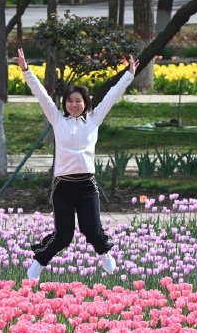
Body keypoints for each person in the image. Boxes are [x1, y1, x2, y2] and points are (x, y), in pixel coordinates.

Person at [13, 48, 138, 280]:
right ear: (65, 104)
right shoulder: (57, 119)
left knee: (93, 231)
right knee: (63, 236)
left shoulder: (94, 119)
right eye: (70, 101)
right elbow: (40, 94)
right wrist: (25, 69)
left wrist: (129, 75)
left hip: (87, 186)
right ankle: (39, 262)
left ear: (85, 102)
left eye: (78, 101)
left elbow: (112, 95)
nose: (73, 104)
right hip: (63, 186)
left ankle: (104, 253)